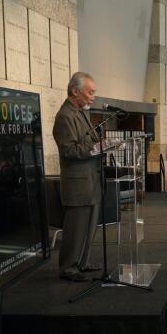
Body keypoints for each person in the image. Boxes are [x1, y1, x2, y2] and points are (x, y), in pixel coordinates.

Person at [52, 72, 103, 282]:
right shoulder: (65, 116)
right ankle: (68, 268)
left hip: (90, 180)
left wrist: (103, 145)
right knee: (76, 227)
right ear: (75, 91)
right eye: (90, 92)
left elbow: (88, 140)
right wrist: (97, 147)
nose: (93, 97)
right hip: (77, 183)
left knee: (89, 225)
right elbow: (68, 150)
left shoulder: (80, 112)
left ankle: (82, 261)